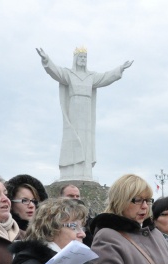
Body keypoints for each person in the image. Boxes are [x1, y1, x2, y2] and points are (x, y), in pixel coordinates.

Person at [36, 47, 133, 180]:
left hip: (87, 114)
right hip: (74, 110)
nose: (83, 60)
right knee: (72, 138)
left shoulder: (91, 76)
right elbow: (56, 72)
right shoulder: (69, 74)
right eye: (81, 57)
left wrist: (121, 68)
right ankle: (70, 170)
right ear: (75, 59)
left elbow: (106, 77)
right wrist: (46, 59)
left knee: (86, 141)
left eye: (85, 58)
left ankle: (85, 171)